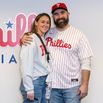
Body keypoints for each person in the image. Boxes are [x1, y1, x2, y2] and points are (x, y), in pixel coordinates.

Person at [20, 2, 93, 103]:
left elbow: (86, 62)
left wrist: (85, 85)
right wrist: (23, 38)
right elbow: (35, 39)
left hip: (72, 88)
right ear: (53, 17)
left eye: (62, 12)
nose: (60, 16)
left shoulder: (79, 35)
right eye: (56, 14)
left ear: (68, 14)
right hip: (52, 87)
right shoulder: (48, 33)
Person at [20, 13, 51, 103]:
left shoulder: (42, 39)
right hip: (35, 82)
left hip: (42, 81)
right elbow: (26, 64)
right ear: (36, 23)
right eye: (42, 22)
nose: (45, 25)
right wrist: (29, 88)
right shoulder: (30, 39)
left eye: (48, 22)